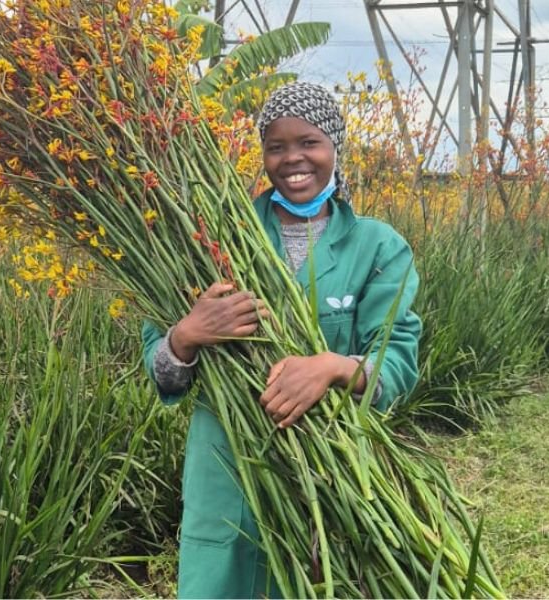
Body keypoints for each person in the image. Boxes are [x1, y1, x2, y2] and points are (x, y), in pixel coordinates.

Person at [141, 82, 422, 598]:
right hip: (225, 464)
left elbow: (396, 363)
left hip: (329, 468)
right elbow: (160, 365)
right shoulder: (210, 234)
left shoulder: (377, 245)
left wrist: (333, 367)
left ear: (335, 145)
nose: (293, 159)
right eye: (277, 146)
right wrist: (187, 334)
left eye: (309, 143)